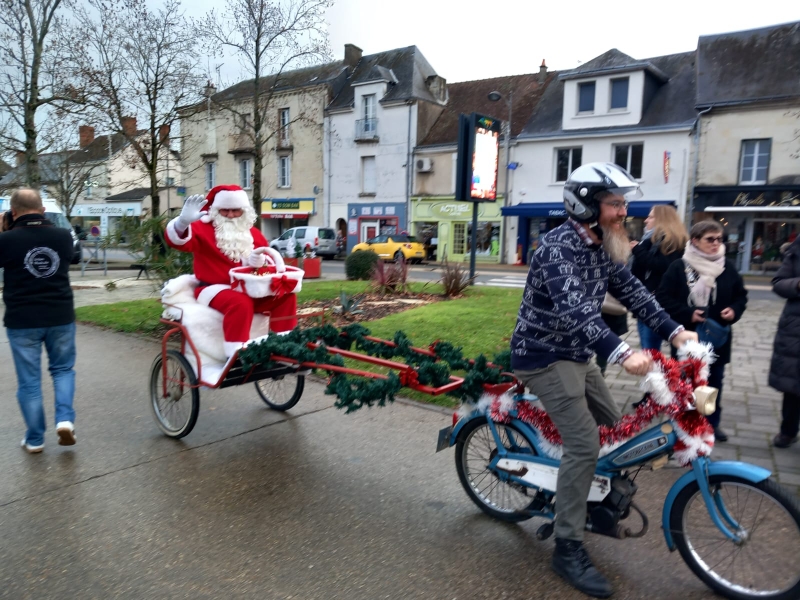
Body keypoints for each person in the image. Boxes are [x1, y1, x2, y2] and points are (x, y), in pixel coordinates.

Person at [511, 163, 696, 598]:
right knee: (584, 444)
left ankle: (589, 500)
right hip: (542, 356)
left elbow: (633, 292)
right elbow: (576, 310)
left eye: (623, 203)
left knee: (617, 432)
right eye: (615, 204)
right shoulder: (557, 247)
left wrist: (674, 330)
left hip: (578, 355)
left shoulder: (603, 245)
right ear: (586, 207)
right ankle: (567, 546)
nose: (624, 211)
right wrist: (622, 353)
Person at [165, 185, 297, 360]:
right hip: (213, 288)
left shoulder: (254, 234)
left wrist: (262, 262)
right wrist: (182, 223)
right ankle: (236, 354)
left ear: (244, 211)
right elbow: (178, 242)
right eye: (224, 210)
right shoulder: (202, 229)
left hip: (249, 288)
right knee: (240, 303)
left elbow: (269, 264)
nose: (230, 215)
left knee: (285, 296)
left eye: (236, 210)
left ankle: (284, 346)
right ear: (216, 210)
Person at [0, 188, 77, 453]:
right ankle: (64, 420)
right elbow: (69, 259)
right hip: (60, 315)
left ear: (13, 212)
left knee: (29, 382)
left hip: (23, 320)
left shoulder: (6, 240)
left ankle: (35, 439)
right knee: (63, 370)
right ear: (43, 211)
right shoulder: (63, 235)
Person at [656, 221, 748, 442]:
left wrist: (734, 310)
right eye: (710, 239)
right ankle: (684, 424)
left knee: (714, 381)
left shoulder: (727, 266)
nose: (716, 243)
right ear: (695, 241)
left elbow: (741, 295)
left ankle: (710, 424)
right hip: (688, 336)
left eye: (719, 239)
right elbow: (662, 298)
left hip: (717, 337)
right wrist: (688, 313)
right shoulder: (679, 266)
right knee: (686, 382)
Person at [630, 205, 688, 350]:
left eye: (650, 217)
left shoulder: (673, 242)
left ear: (662, 220)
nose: (646, 220)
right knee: (647, 347)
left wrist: (638, 250)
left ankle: (654, 365)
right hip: (644, 300)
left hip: (658, 302)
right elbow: (639, 270)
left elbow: (661, 266)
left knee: (650, 349)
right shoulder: (650, 240)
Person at [768, 234, 800, 448]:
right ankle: (788, 431)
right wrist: (797, 284)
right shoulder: (797, 249)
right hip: (796, 327)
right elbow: (778, 282)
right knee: (793, 384)